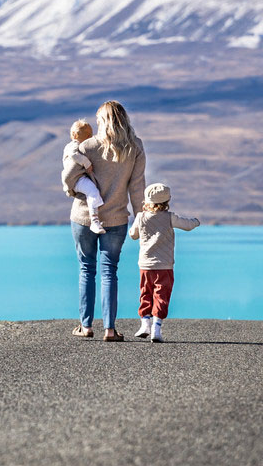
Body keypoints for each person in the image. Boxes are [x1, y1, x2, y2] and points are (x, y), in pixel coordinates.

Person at [62, 100, 146, 342]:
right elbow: (137, 188)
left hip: (82, 217)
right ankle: (110, 329)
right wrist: (140, 219)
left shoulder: (86, 146)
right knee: (110, 271)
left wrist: (72, 192)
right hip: (117, 218)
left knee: (86, 268)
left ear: (102, 121)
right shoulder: (135, 147)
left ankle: (86, 326)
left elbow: (69, 176)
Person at [129, 182, 200, 343]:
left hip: (145, 265)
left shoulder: (141, 217)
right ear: (166, 202)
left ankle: (144, 323)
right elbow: (187, 225)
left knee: (145, 293)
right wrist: (196, 221)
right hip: (164, 265)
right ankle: (156, 327)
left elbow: (132, 235)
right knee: (161, 295)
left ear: (147, 201)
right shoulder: (170, 217)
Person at [62, 119, 105, 234]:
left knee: (92, 191)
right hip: (77, 179)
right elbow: (74, 154)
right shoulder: (73, 146)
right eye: (88, 135)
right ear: (75, 135)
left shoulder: (77, 145)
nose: (90, 138)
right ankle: (94, 221)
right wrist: (87, 163)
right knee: (93, 192)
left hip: (79, 178)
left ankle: (95, 220)